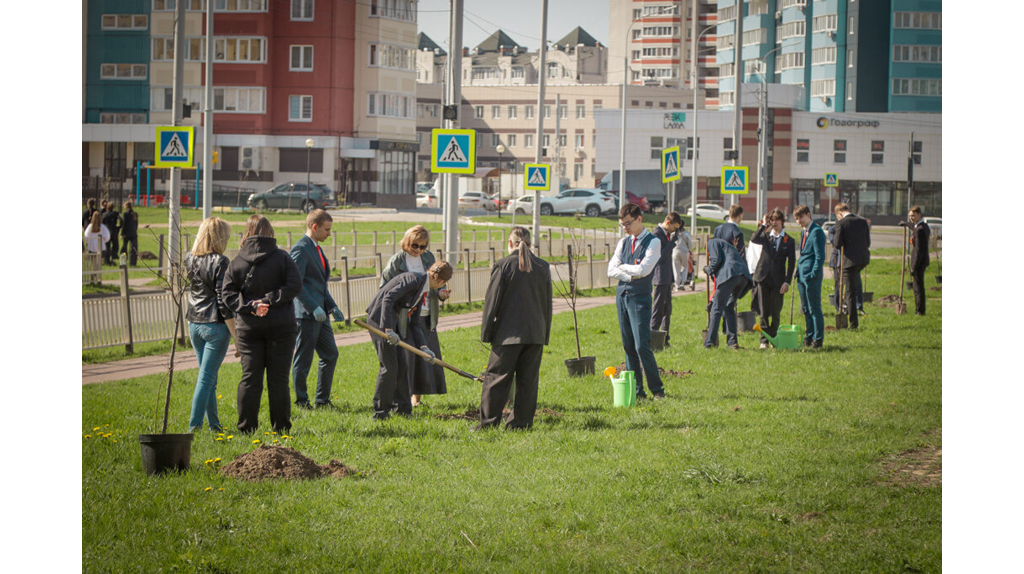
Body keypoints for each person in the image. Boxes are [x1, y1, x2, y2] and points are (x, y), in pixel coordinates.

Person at [221, 215, 302, 434]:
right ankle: (281, 428)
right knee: (279, 380)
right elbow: (295, 286)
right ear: (270, 232)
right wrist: (269, 299)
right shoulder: (283, 259)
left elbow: (227, 295)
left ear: (246, 233)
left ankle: (246, 428)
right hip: (282, 327)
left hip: (249, 328)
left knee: (250, 379)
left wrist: (250, 306)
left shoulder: (236, 262)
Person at [478, 227, 552, 430]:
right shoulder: (543, 266)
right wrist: (544, 333)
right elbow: (547, 305)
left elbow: (491, 302)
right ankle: (521, 424)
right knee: (528, 381)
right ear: (530, 244)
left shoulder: (503, 265)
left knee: (497, 379)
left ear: (510, 243)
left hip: (508, 334)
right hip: (535, 333)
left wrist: (487, 333)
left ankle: (488, 423)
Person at [365, 260, 453, 420]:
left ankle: (403, 410)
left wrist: (424, 347)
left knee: (403, 365)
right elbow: (387, 299)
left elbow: (414, 322)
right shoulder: (413, 280)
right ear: (441, 282)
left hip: (393, 321)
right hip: (379, 320)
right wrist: (388, 329)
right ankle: (380, 413)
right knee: (389, 367)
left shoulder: (422, 288)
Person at [380, 225, 451, 407]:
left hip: (426, 313)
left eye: (423, 246)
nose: (418, 250)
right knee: (407, 358)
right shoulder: (397, 261)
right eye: (415, 245)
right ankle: (403, 398)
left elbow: (436, 281)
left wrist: (441, 293)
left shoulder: (428, 258)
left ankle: (416, 399)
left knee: (423, 357)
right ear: (407, 242)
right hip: (405, 315)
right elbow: (385, 290)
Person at [607, 203, 666, 400]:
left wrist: (624, 269)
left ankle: (657, 389)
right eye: (622, 224)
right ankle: (637, 390)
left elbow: (645, 270)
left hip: (640, 298)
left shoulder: (653, 242)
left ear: (639, 219)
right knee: (628, 346)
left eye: (628, 224)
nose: (625, 228)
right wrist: (631, 271)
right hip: (622, 296)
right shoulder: (623, 243)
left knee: (642, 345)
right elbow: (610, 270)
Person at [184, 217, 238, 433]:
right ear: (219, 237)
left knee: (209, 379)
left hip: (194, 323)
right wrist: (236, 335)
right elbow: (223, 302)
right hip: (214, 325)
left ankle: (214, 425)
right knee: (206, 380)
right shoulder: (221, 261)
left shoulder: (190, 258)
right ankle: (193, 428)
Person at [289, 209, 344, 410]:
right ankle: (302, 401)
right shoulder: (301, 249)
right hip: (306, 315)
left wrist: (332, 306)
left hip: (321, 315)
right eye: (326, 229)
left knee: (330, 354)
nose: (329, 233)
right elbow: (296, 285)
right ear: (314, 227)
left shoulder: (317, 248)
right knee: (303, 360)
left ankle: (322, 400)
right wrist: (313, 308)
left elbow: (319, 285)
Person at [750, 209, 796, 349]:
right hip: (763, 278)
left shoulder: (789, 240)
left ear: (782, 221)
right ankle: (764, 340)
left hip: (778, 280)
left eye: (776, 220)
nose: (774, 223)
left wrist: (787, 281)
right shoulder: (765, 236)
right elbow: (753, 239)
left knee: (776, 311)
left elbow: (792, 262)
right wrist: (763, 225)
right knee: (763, 311)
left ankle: (774, 339)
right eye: (771, 220)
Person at [703, 236, 752, 349]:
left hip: (731, 274)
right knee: (728, 308)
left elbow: (716, 260)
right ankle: (732, 342)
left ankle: (709, 343)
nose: (709, 255)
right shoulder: (727, 246)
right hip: (743, 277)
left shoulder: (712, 242)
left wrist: (708, 269)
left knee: (717, 309)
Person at [831, 203, 871, 329]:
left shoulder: (841, 223)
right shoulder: (862, 221)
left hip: (849, 262)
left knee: (850, 292)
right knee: (853, 286)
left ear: (839, 213)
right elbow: (868, 242)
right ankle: (852, 317)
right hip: (863, 259)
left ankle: (853, 324)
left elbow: (837, 244)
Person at [794, 205, 826, 348]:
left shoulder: (817, 232)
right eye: (796, 219)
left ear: (808, 214)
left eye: (800, 217)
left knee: (814, 308)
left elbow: (820, 257)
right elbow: (803, 254)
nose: (798, 221)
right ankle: (809, 336)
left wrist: (813, 274)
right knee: (805, 308)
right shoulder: (804, 232)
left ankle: (818, 339)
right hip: (801, 275)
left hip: (811, 277)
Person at [650, 212, 682, 346]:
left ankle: (664, 337)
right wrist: (671, 244)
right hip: (660, 277)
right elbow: (659, 256)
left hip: (667, 278)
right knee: (658, 308)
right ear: (668, 223)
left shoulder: (667, 235)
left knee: (667, 309)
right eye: (674, 228)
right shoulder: (656, 235)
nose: (675, 231)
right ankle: (653, 336)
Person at [906, 206, 931, 316]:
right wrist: (906, 224)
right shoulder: (924, 226)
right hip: (923, 260)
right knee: (918, 286)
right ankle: (919, 309)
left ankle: (920, 310)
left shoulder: (920, 230)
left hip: (919, 262)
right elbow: (915, 227)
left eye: (913, 215)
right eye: (910, 216)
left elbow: (918, 250)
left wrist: (914, 266)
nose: (911, 218)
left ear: (919, 215)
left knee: (918, 288)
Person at [672, 220, 693, 291]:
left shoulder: (674, 233)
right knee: (684, 267)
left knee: (676, 268)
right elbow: (690, 244)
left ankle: (677, 285)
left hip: (675, 251)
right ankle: (682, 283)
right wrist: (689, 249)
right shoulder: (686, 233)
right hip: (684, 251)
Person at [120, 201, 139, 267]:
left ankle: (123, 261)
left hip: (127, 233)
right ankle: (133, 262)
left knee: (124, 248)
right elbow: (136, 224)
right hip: (133, 233)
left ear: (126, 206)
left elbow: (124, 225)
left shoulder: (125, 214)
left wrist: (122, 233)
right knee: (133, 249)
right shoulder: (135, 214)